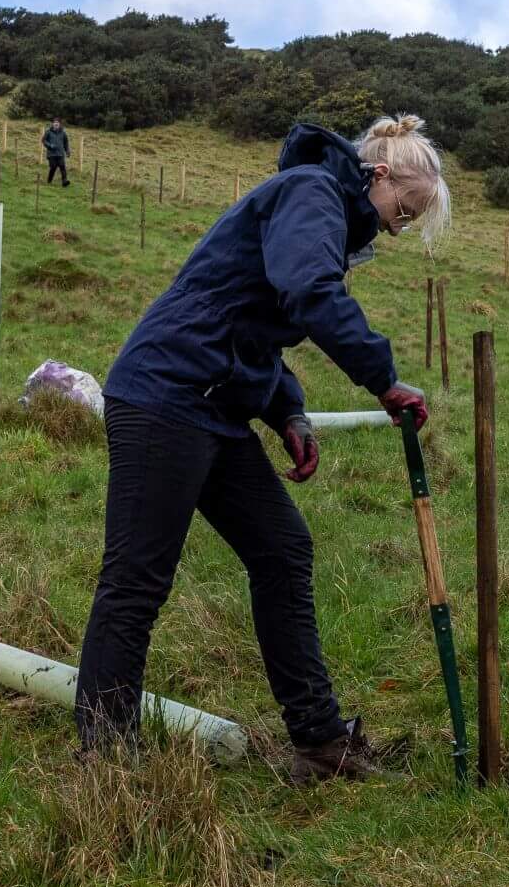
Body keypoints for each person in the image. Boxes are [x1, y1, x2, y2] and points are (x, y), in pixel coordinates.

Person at [75, 114, 451, 779]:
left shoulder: (322, 209)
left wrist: (290, 413)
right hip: (164, 395)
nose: (399, 226)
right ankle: (106, 762)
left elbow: (254, 324)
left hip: (214, 407)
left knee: (283, 550)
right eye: (405, 209)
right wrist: (383, 379)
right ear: (380, 175)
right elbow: (308, 295)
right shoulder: (311, 191)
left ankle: (321, 742)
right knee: (137, 580)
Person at [42, 118, 71, 186]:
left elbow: (66, 143)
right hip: (51, 154)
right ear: (53, 124)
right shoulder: (48, 132)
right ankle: (49, 180)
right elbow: (43, 140)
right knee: (53, 167)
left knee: (62, 166)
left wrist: (67, 151)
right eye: (55, 122)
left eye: (57, 122)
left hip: (60, 154)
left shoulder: (63, 133)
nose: (56, 123)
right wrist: (50, 145)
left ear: (60, 124)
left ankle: (64, 181)